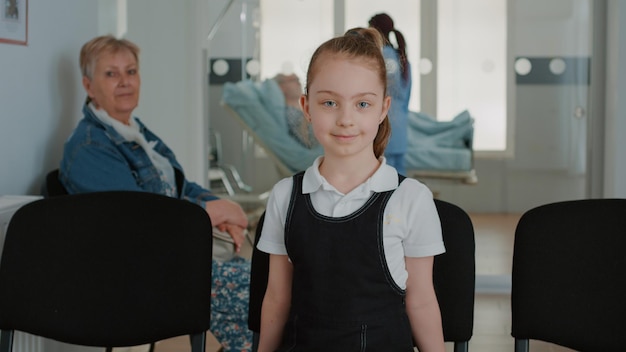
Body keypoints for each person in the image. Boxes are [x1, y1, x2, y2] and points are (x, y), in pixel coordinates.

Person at [59, 35, 253, 352]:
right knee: (261, 298)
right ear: (89, 86)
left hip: (175, 256)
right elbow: (142, 219)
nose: (124, 82)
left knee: (275, 285)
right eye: (111, 74)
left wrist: (222, 206)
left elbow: (181, 187)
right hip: (141, 272)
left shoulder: (133, 130)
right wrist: (211, 215)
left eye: (131, 71)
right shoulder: (88, 148)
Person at [256, 28, 446, 351]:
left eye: (362, 104)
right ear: (306, 106)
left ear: (383, 108)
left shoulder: (411, 199)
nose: (346, 119)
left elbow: (422, 303)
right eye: (329, 102)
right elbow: (277, 297)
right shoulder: (285, 196)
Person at [369, 13, 412, 175]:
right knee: (398, 180)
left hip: (386, 125)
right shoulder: (403, 58)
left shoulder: (382, 56)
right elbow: (407, 97)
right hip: (401, 127)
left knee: (383, 179)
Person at [273, 73, 318, 148]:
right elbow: (310, 140)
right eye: (293, 80)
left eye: (298, 79)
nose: (299, 82)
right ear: (281, 87)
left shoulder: (302, 113)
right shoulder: (290, 114)